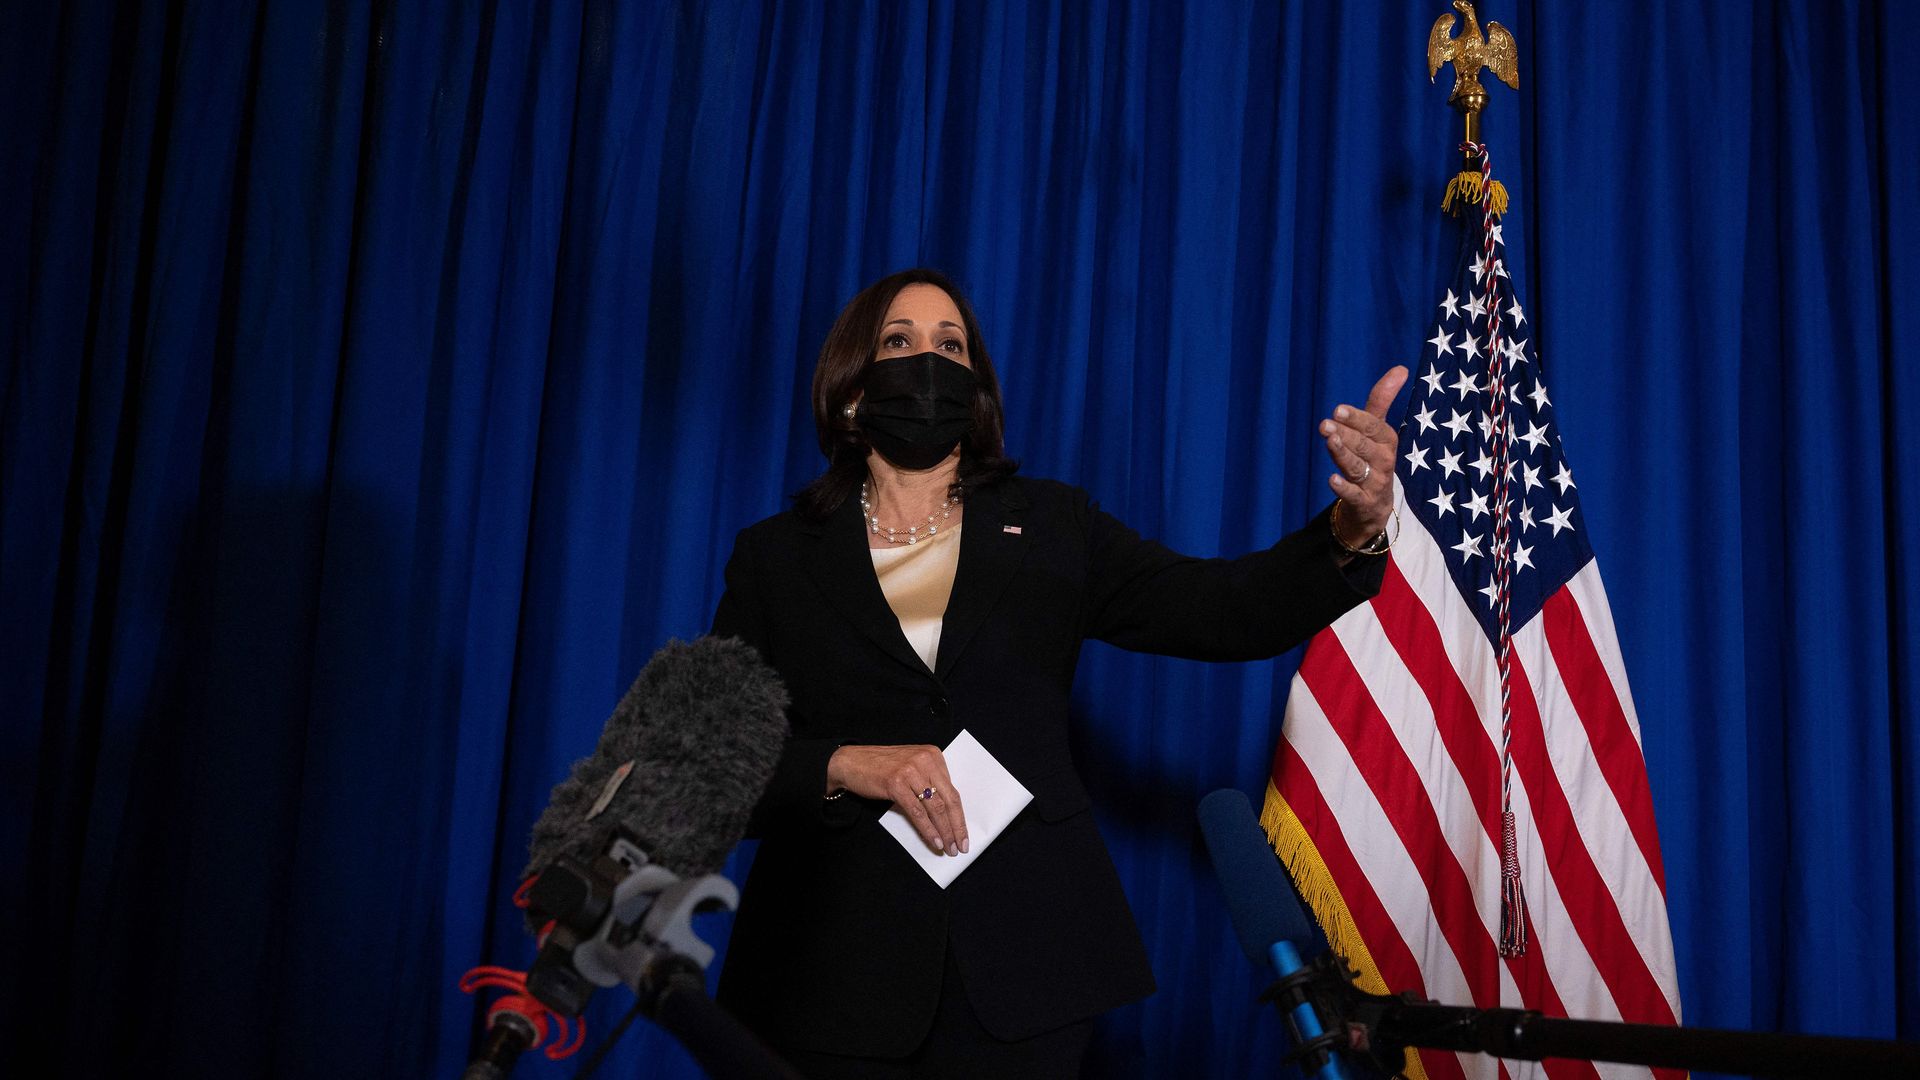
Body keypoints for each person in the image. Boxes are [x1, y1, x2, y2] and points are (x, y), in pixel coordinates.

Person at [711, 267, 1406, 1076]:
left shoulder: (1051, 525)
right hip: (827, 971)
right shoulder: (775, 557)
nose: (926, 360)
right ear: (851, 387)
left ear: (975, 390)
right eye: (898, 342)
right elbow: (721, 766)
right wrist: (842, 764)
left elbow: (1219, 609)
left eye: (951, 345)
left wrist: (1350, 528)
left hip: (1024, 970)